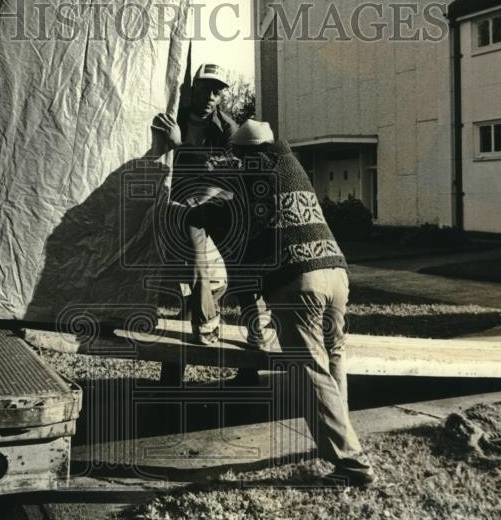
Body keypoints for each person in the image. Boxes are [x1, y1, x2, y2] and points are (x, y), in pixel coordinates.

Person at [153, 114, 375, 486]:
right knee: (334, 357)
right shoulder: (289, 164)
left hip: (300, 280)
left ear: (243, 153)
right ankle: (346, 442)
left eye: (236, 153)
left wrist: (177, 153)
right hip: (336, 272)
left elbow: (204, 207)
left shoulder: (243, 175)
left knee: (309, 370)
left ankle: (352, 465)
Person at [171, 63, 239, 343]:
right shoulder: (177, 117)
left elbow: (228, 173)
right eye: (206, 89)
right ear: (194, 89)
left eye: (217, 91)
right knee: (198, 254)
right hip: (180, 202)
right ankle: (205, 322)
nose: (211, 96)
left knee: (230, 273)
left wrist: (181, 147)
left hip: (217, 199)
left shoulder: (227, 127)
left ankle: (256, 333)